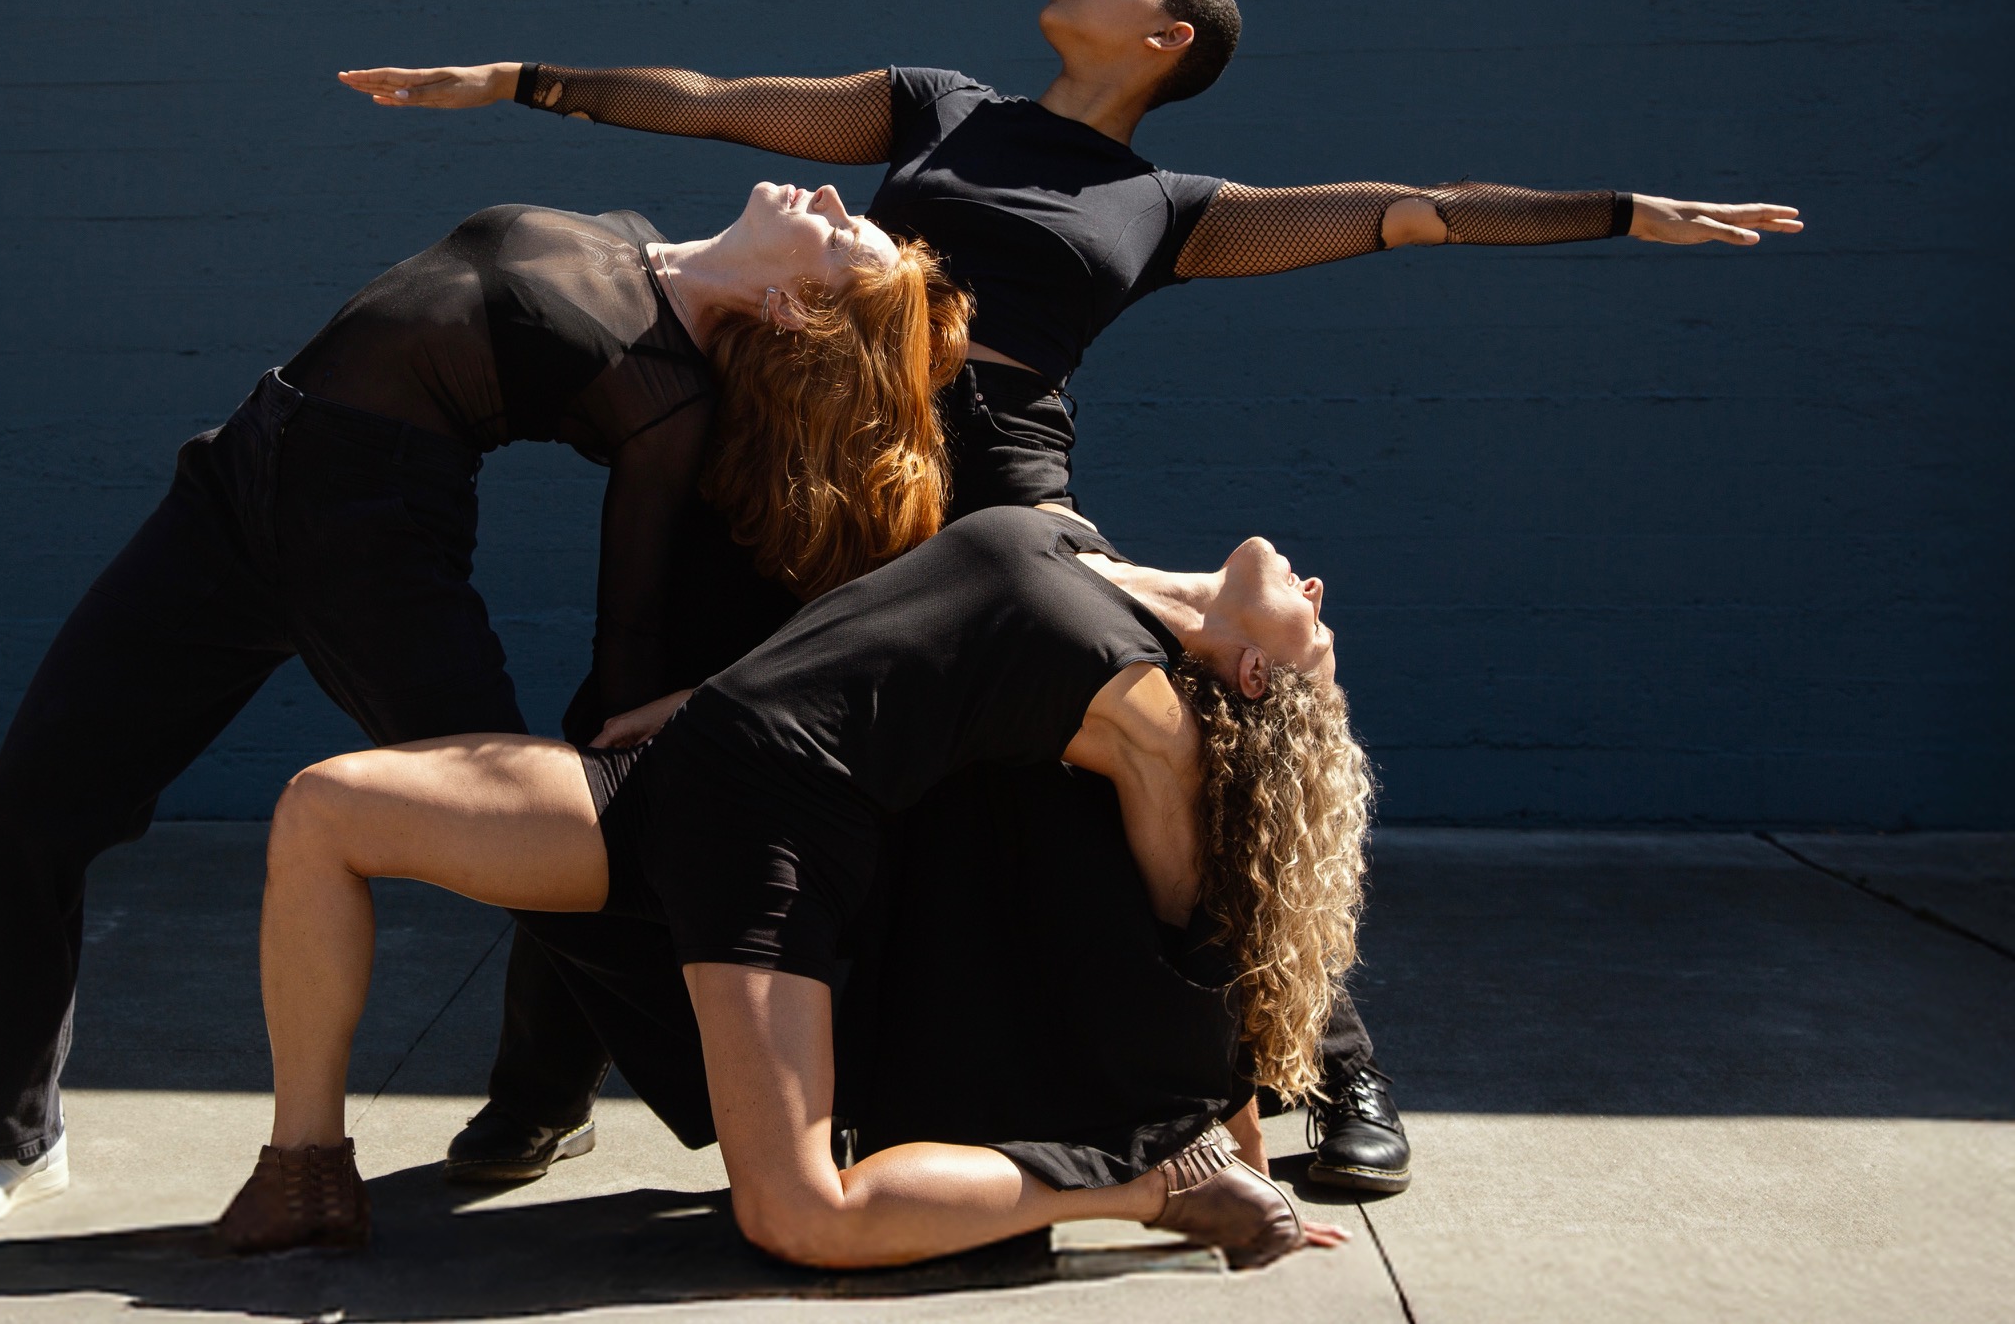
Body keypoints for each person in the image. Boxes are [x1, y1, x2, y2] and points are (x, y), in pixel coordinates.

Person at [340, 0, 1802, 1193]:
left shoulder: (1168, 204)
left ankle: (1328, 1067)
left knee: (1159, 766)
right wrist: (519, 79)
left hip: (1001, 511)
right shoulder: (934, 107)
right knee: (626, 732)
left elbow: (1414, 205)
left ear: (1166, 39)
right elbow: (724, 110)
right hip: (820, 475)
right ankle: (541, 1091)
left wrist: (1618, 210)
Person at [0, 181, 966, 1239]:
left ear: (791, 307)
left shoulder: (667, 394)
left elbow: (629, 622)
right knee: (26, 810)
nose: (825, 193)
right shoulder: (633, 235)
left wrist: (648, 719)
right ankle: (10, 1135)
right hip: (234, 486)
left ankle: (792, 1109)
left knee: (542, 863)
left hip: (377, 550)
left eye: (838, 232)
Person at [217, 504, 1368, 1274]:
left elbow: (1193, 932)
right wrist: (704, 694)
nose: (1319, 587)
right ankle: (307, 1170)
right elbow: (880, 632)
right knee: (325, 807)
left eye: (1319, 628)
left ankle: (1141, 1187)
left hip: (770, 838)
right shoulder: (1080, 540)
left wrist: (1221, 1125)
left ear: (1255, 677)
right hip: (675, 773)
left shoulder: (1151, 721)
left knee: (799, 1214)